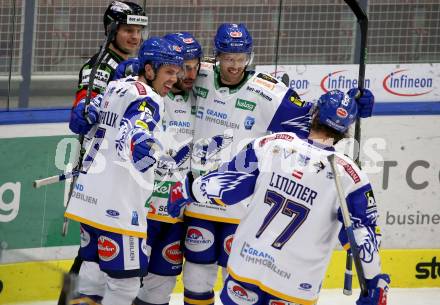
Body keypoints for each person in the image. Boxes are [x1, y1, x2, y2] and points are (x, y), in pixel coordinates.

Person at [179, 23, 375, 305]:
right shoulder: (200, 75)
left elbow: (318, 118)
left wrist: (353, 106)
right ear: (216, 56)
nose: (235, 65)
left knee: (236, 282)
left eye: (241, 58)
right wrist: (129, 69)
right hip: (199, 199)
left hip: (241, 206)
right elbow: (162, 76)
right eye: (229, 58)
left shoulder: (268, 90)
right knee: (196, 278)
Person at [167, 89, 390, 305]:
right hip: (296, 283)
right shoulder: (350, 175)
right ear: (346, 130)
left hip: (248, 265)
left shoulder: (273, 143)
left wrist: (187, 189)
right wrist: (374, 280)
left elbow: (226, 186)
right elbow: (362, 237)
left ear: (314, 114)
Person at [64, 37, 184, 305]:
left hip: (89, 200)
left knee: (92, 276)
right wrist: (146, 149)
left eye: (176, 73)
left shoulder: (117, 87)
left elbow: (83, 118)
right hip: (118, 208)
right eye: (168, 72)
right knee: (125, 287)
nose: (173, 80)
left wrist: (85, 111)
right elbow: (137, 130)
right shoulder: (149, 99)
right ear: (150, 69)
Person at [134, 32, 203, 305]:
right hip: (141, 209)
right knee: (121, 280)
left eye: (193, 66)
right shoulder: (146, 95)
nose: (186, 74)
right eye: (179, 68)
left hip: (176, 212)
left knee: (160, 286)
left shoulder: (201, 96)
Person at [72, 1, 147, 107]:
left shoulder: (128, 64)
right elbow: (84, 113)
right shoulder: (100, 67)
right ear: (111, 30)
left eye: (139, 31)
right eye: (128, 30)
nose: (135, 37)